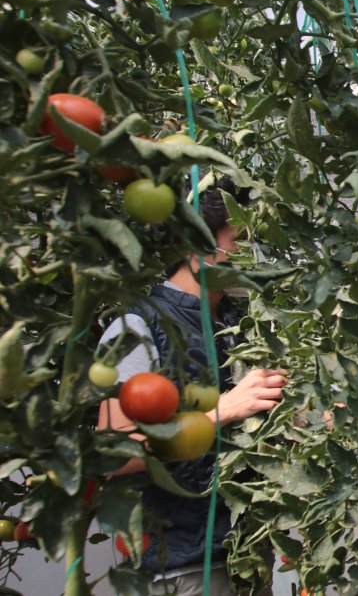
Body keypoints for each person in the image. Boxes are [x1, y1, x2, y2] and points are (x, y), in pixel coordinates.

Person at [96, 177, 287, 595]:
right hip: (181, 567)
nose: (252, 255)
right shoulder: (138, 327)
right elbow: (115, 455)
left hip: (246, 555)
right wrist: (223, 411)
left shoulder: (243, 325)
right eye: (240, 239)